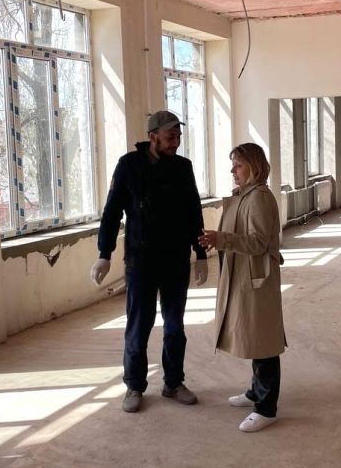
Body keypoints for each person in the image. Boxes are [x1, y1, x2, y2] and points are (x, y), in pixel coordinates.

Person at [90, 110, 208, 413]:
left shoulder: (183, 167)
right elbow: (111, 213)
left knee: (174, 326)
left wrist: (200, 254)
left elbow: (193, 211)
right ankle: (134, 385)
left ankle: (173, 383)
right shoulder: (129, 166)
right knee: (139, 326)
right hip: (141, 261)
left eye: (178, 136)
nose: (176, 142)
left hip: (175, 260)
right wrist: (104, 254)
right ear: (153, 136)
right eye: (170, 137)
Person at [199, 143, 285, 433]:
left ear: (254, 166)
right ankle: (255, 392)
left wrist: (221, 239)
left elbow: (258, 242)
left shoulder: (259, 197)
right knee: (252, 336)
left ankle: (266, 408)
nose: (233, 170)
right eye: (233, 165)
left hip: (256, 277)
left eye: (238, 165)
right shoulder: (244, 195)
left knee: (264, 340)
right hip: (242, 275)